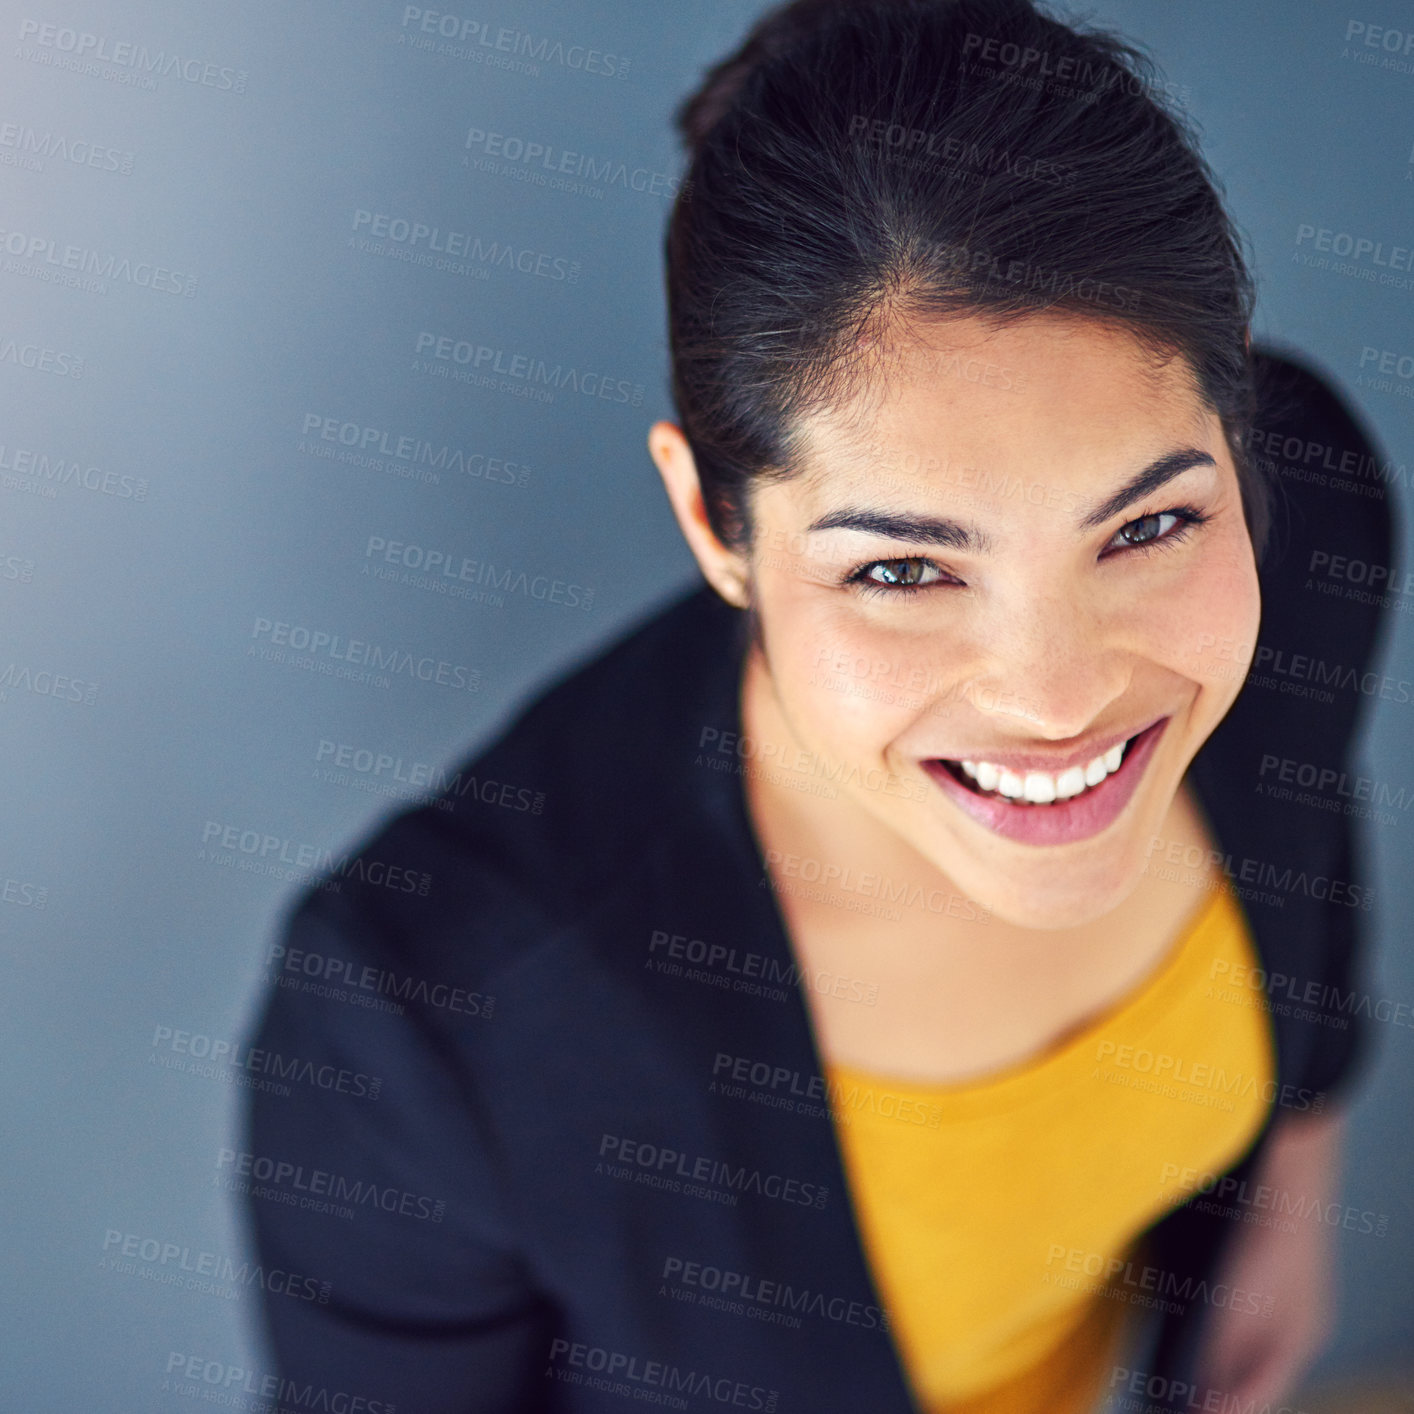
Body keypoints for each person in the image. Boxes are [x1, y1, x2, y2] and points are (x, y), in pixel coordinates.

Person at [243, 2, 1397, 1411]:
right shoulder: (424, 1020)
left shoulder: (1307, 519)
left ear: (1233, 443)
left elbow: (1309, 856)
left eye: (1145, 527)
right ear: (709, 519)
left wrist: (1291, 1182)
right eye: (904, 567)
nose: (1057, 697)